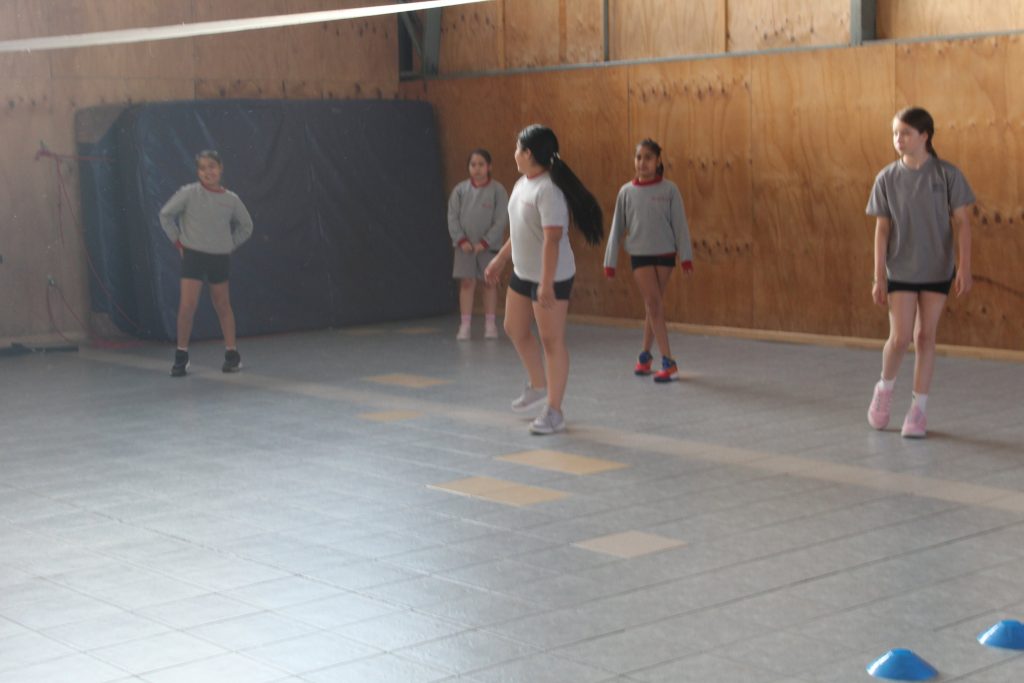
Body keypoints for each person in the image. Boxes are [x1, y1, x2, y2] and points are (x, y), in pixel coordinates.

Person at [484, 125, 603, 434]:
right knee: (514, 327)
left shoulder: (549, 191)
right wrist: (500, 259)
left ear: (528, 153)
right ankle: (538, 386)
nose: (514, 154)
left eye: (517, 149)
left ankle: (554, 410)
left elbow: (552, 239)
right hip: (524, 272)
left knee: (552, 341)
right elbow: (520, 230)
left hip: (552, 275)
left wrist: (547, 283)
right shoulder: (522, 184)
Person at [865, 107, 973, 438]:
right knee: (900, 338)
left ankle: (918, 410)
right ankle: (884, 389)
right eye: (895, 133)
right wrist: (878, 275)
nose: (898, 139)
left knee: (925, 336)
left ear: (924, 136)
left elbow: (963, 223)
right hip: (900, 267)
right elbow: (882, 229)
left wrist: (964, 267)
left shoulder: (947, 175)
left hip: (937, 268)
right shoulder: (886, 178)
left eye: (906, 133)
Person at [603, 139, 693, 382]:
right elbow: (617, 228)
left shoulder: (670, 190)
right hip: (640, 254)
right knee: (653, 303)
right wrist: (610, 261)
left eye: (648, 157)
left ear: (658, 161)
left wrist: (686, 257)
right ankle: (668, 360)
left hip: (665, 255)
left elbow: (680, 225)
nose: (642, 162)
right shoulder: (626, 192)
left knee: (653, 306)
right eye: (639, 157)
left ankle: (645, 356)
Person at [159, 150, 254, 377]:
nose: (207, 172)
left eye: (212, 166)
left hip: (219, 258)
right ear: (197, 172)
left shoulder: (231, 200)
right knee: (187, 306)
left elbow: (247, 226)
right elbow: (165, 214)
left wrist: (229, 244)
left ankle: (232, 354)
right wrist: (178, 242)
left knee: (222, 305)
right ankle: (181, 355)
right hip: (193, 256)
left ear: (220, 168)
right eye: (202, 168)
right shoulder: (189, 193)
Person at [447, 149, 509, 340]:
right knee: (467, 283)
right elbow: (452, 217)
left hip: (489, 247)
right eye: (473, 165)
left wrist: (485, 242)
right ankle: (465, 325)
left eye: (481, 164)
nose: (477, 169)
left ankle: (490, 324)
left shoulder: (498, 190)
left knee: (489, 283)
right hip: (464, 247)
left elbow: (501, 219)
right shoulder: (460, 190)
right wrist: (461, 240)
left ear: (489, 167)